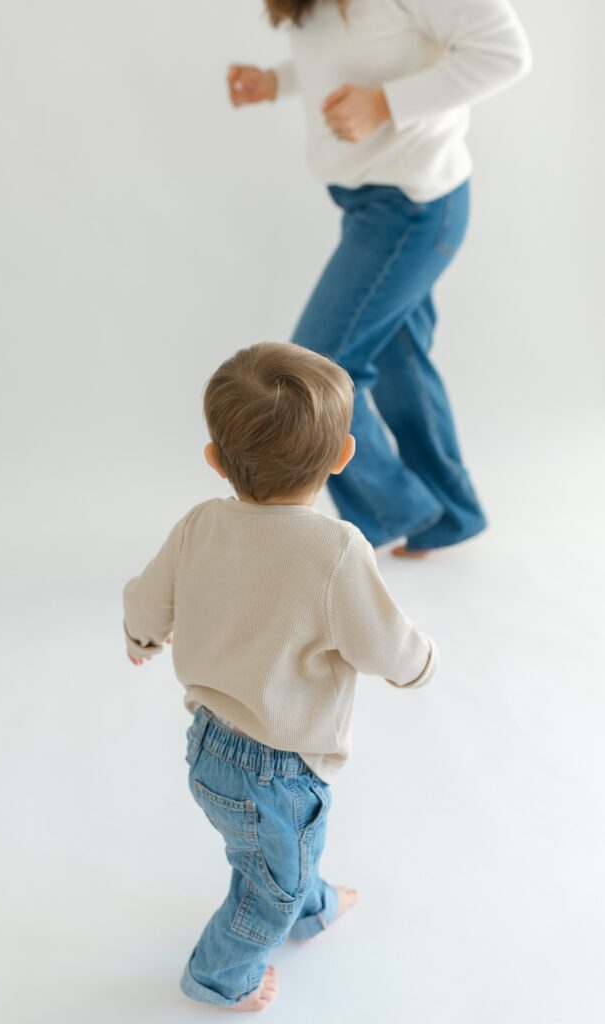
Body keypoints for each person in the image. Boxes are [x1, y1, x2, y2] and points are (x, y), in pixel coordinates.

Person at [122, 341, 438, 1010]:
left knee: (281, 854)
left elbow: (146, 599)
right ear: (343, 456)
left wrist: (142, 637)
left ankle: (313, 908)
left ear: (214, 459)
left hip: (208, 747)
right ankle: (219, 977)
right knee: (268, 885)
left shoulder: (200, 523)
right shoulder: (333, 548)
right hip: (277, 768)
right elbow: (383, 642)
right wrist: (418, 666)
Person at [228, 0, 532, 558]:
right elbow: (347, 60)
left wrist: (388, 105)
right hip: (370, 203)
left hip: (415, 205)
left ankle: (399, 509)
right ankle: (450, 514)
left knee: (314, 372)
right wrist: (274, 82)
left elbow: (506, 53)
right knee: (400, 361)